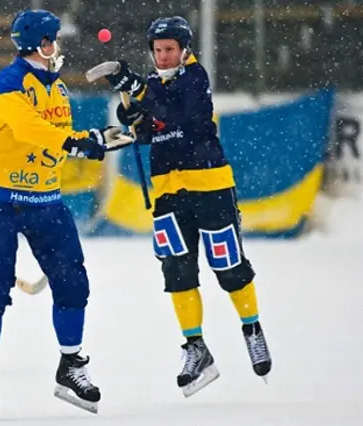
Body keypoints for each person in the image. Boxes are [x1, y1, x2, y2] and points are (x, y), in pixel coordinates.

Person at [0, 8, 131, 416]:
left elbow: (53, 140)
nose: (56, 46)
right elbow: (28, 129)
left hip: (45, 200)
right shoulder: (10, 80)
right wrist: (77, 141)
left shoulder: (56, 87)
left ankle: (71, 366)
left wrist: (100, 138)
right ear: (39, 43)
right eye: (52, 39)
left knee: (73, 283)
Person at [104, 16, 272, 397]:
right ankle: (195, 347)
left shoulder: (196, 78)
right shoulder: (149, 85)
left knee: (229, 267)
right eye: (157, 50)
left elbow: (180, 118)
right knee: (177, 273)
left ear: (184, 49)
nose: (162, 57)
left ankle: (252, 329)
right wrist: (131, 119)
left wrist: (141, 95)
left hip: (209, 185)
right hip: (168, 191)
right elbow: (150, 130)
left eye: (169, 50)